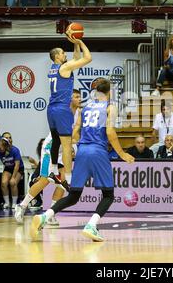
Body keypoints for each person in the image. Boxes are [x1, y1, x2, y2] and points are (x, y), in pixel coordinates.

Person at [30, 79, 135, 242]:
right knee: (108, 195)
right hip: (98, 151)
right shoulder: (110, 107)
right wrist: (122, 153)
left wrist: (73, 146)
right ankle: (91, 225)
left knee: (73, 195)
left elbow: (75, 130)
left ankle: (44, 216)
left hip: (82, 151)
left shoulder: (85, 108)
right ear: (109, 92)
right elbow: (110, 132)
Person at [15, 89, 82, 224]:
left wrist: (73, 147)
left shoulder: (79, 112)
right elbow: (73, 135)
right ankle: (22, 205)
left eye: (80, 96)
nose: (79, 99)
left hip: (64, 149)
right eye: (76, 96)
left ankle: (50, 213)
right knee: (44, 180)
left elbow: (76, 134)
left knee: (63, 183)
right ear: (70, 99)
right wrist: (74, 144)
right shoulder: (63, 112)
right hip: (51, 148)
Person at [46, 34, 92, 198]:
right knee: (67, 145)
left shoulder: (53, 68)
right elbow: (87, 58)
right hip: (61, 109)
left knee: (56, 140)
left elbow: (76, 58)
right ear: (57, 56)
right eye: (63, 53)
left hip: (50, 109)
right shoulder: (64, 68)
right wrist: (80, 42)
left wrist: (75, 46)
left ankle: (52, 171)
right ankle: (69, 179)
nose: (65, 55)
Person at [0, 135, 24, 209]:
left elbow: (17, 165)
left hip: (18, 168)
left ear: (5, 146)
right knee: (3, 183)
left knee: (12, 183)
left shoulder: (14, 150)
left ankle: (14, 203)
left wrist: (13, 177)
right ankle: (7, 203)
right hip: (8, 168)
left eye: (0, 148)